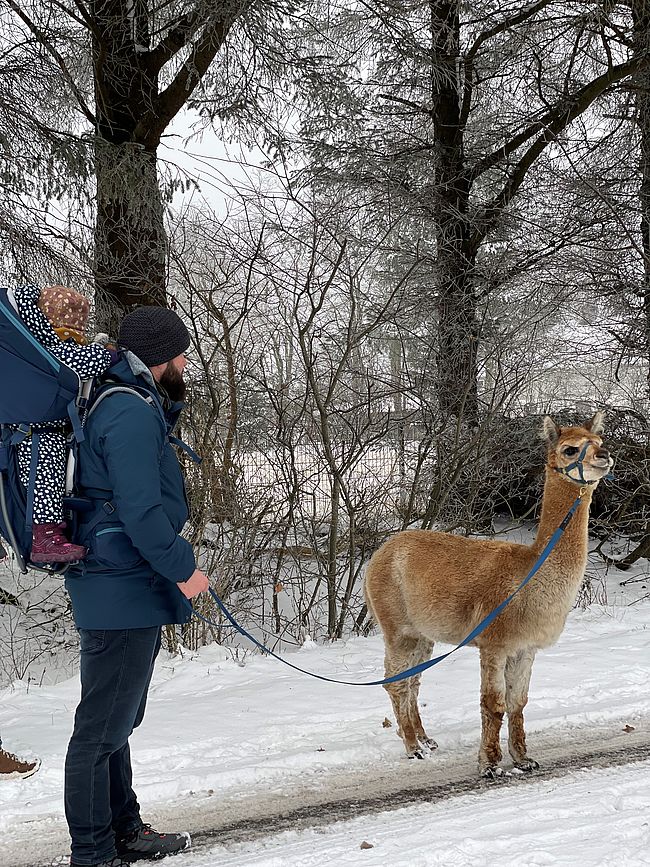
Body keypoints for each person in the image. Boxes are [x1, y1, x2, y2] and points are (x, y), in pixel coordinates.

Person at [63, 306, 210, 867]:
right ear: (160, 357)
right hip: (121, 585)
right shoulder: (128, 411)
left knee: (116, 723)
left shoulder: (132, 401)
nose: (184, 364)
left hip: (124, 583)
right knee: (98, 732)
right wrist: (183, 569)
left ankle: (124, 830)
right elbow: (142, 511)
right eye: (180, 354)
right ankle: (93, 852)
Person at [11, 285, 113, 563]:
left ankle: (50, 533)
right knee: (45, 485)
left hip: (40, 432)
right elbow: (86, 361)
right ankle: (44, 539)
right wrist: (109, 354)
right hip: (39, 436)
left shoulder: (36, 347)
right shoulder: (51, 352)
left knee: (48, 486)